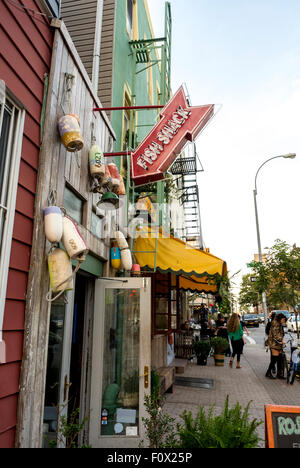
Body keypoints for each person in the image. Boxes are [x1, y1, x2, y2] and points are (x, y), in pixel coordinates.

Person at [265, 313, 287, 379]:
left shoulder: (279, 323)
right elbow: (275, 334)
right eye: (283, 319)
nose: (284, 321)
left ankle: (279, 374)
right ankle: (268, 373)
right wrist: (282, 340)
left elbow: (280, 333)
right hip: (274, 343)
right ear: (280, 318)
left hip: (278, 343)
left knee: (280, 359)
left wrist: (281, 339)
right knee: (274, 359)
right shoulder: (275, 324)